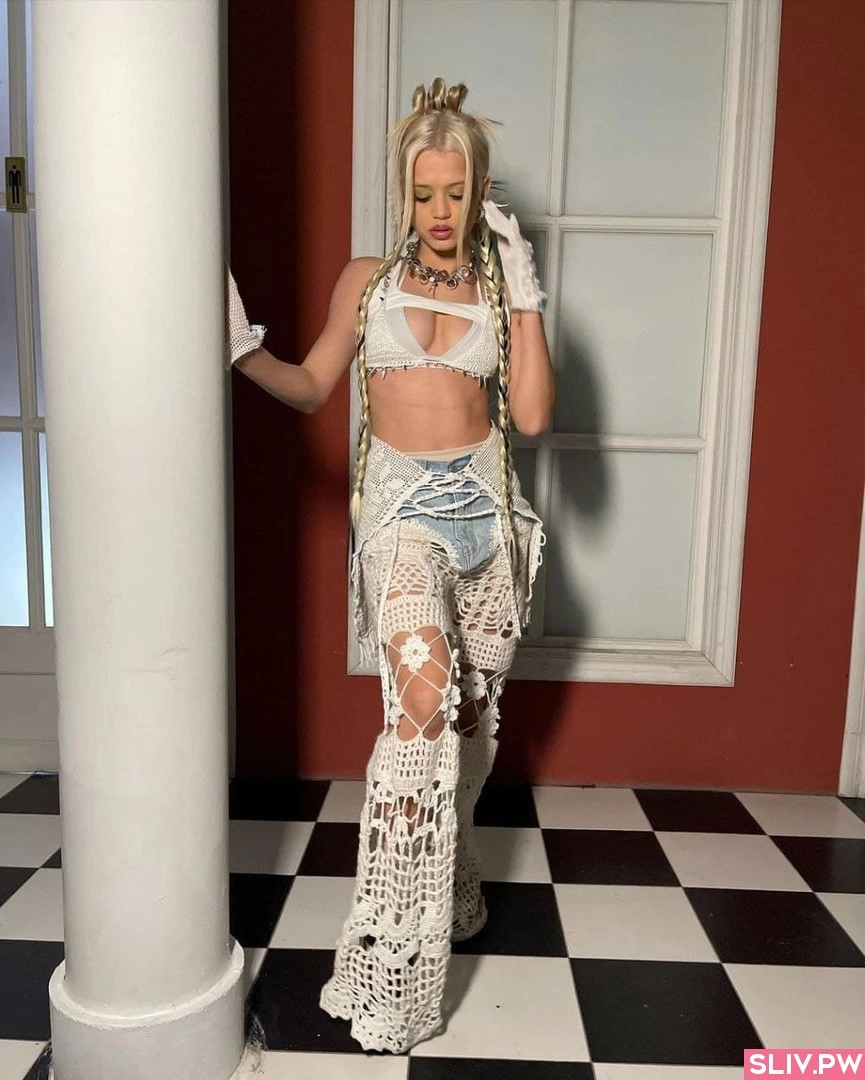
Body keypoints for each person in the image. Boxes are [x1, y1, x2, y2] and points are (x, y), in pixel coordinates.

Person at [226, 77, 555, 1054]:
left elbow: (533, 416)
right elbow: (309, 386)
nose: (439, 212)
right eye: (422, 192)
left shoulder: (497, 291)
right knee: (421, 703)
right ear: (402, 191)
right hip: (402, 515)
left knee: (472, 725)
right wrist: (237, 348)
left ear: (478, 191)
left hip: (489, 518)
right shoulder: (367, 281)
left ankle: (455, 882)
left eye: (455, 192)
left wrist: (525, 292)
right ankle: (394, 970)